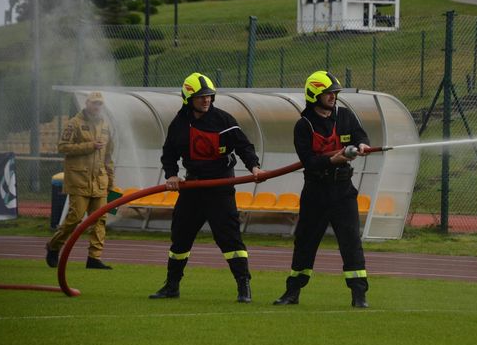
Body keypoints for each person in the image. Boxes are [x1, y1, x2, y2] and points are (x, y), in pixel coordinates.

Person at [149, 72, 264, 302]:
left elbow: (244, 146)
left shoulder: (224, 120)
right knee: (180, 238)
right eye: (201, 97)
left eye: (209, 96)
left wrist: (254, 167)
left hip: (220, 188)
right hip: (192, 187)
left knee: (230, 239)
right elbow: (169, 153)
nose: (206, 100)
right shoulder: (178, 124)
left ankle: (244, 288)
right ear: (188, 99)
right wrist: (172, 174)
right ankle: (172, 287)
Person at [273, 70, 371, 308]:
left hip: (343, 191)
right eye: (328, 93)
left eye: (334, 93)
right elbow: (308, 160)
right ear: (314, 94)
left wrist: (362, 144)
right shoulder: (303, 125)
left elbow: (359, 134)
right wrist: (331, 160)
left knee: (350, 243)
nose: (333, 97)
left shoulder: (345, 116)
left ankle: (359, 295)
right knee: (305, 242)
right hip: (316, 191)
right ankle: (293, 291)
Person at [45, 91, 115, 270]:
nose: (97, 107)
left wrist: (110, 179)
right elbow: (62, 147)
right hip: (79, 179)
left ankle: (94, 258)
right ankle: (54, 246)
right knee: (75, 218)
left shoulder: (106, 126)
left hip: (99, 180)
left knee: (100, 219)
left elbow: (108, 156)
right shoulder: (74, 123)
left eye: (100, 104)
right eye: (94, 103)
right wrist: (89, 146)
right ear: (87, 103)